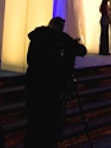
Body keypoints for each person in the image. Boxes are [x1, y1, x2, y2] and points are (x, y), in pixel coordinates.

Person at [24, 17, 87, 148]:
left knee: (34, 121)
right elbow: (81, 51)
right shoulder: (60, 39)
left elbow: (30, 60)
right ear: (60, 27)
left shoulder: (37, 36)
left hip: (33, 85)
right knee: (50, 122)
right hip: (52, 88)